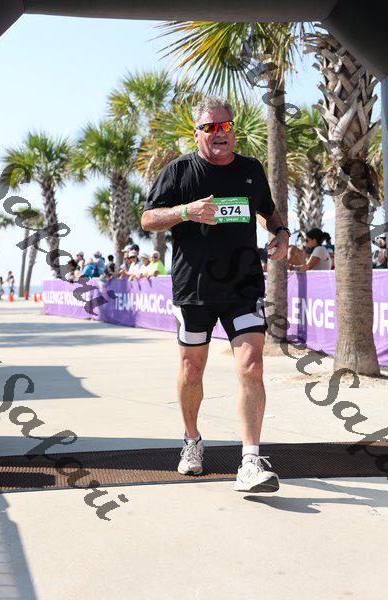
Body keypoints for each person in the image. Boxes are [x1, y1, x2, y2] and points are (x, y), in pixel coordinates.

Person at [141, 95, 290, 494]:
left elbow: (268, 210)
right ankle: (191, 440)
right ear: (197, 133)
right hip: (194, 290)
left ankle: (250, 460)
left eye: (226, 126)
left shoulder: (250, 170)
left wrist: (281, 233)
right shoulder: (179, 171)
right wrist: (186, 211)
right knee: (192, 369)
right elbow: (148, 219)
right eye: (211, 127)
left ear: (233, 130)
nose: (220, 133)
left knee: (252, 365)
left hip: (243, 286)